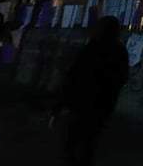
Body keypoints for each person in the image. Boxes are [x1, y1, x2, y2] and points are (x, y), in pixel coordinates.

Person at [49, 16, 129, 166]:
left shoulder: (91, 48)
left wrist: (59, 106)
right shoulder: (119, 51)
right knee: (88, 144)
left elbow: (73, 78)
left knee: (70, 144)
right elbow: (122, 77)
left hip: (81, 105)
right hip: (102, 107)